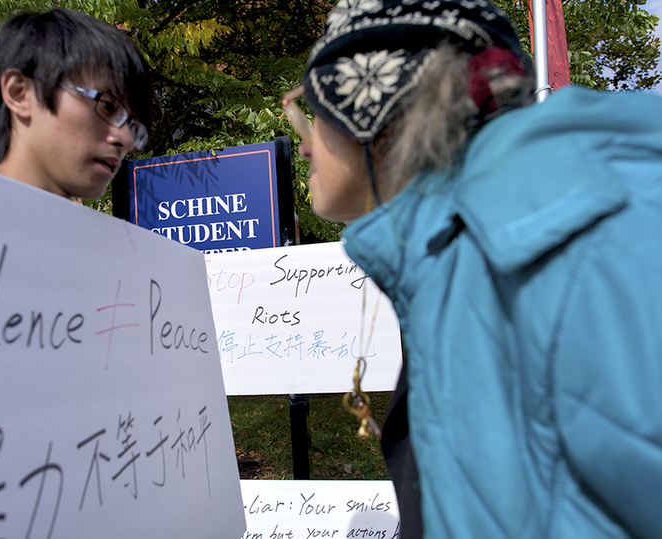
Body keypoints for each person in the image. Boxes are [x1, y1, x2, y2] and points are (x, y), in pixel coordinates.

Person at [282, 1, 662, 538]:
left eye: (310, 111)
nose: (302, 142)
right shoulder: (461, 252)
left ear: (367, 104)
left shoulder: (582, 241)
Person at [0, 8, 153, 199]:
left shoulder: (105, 230)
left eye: (133, 127)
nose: (126, 140)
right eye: (108, 106)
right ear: (19, 93)